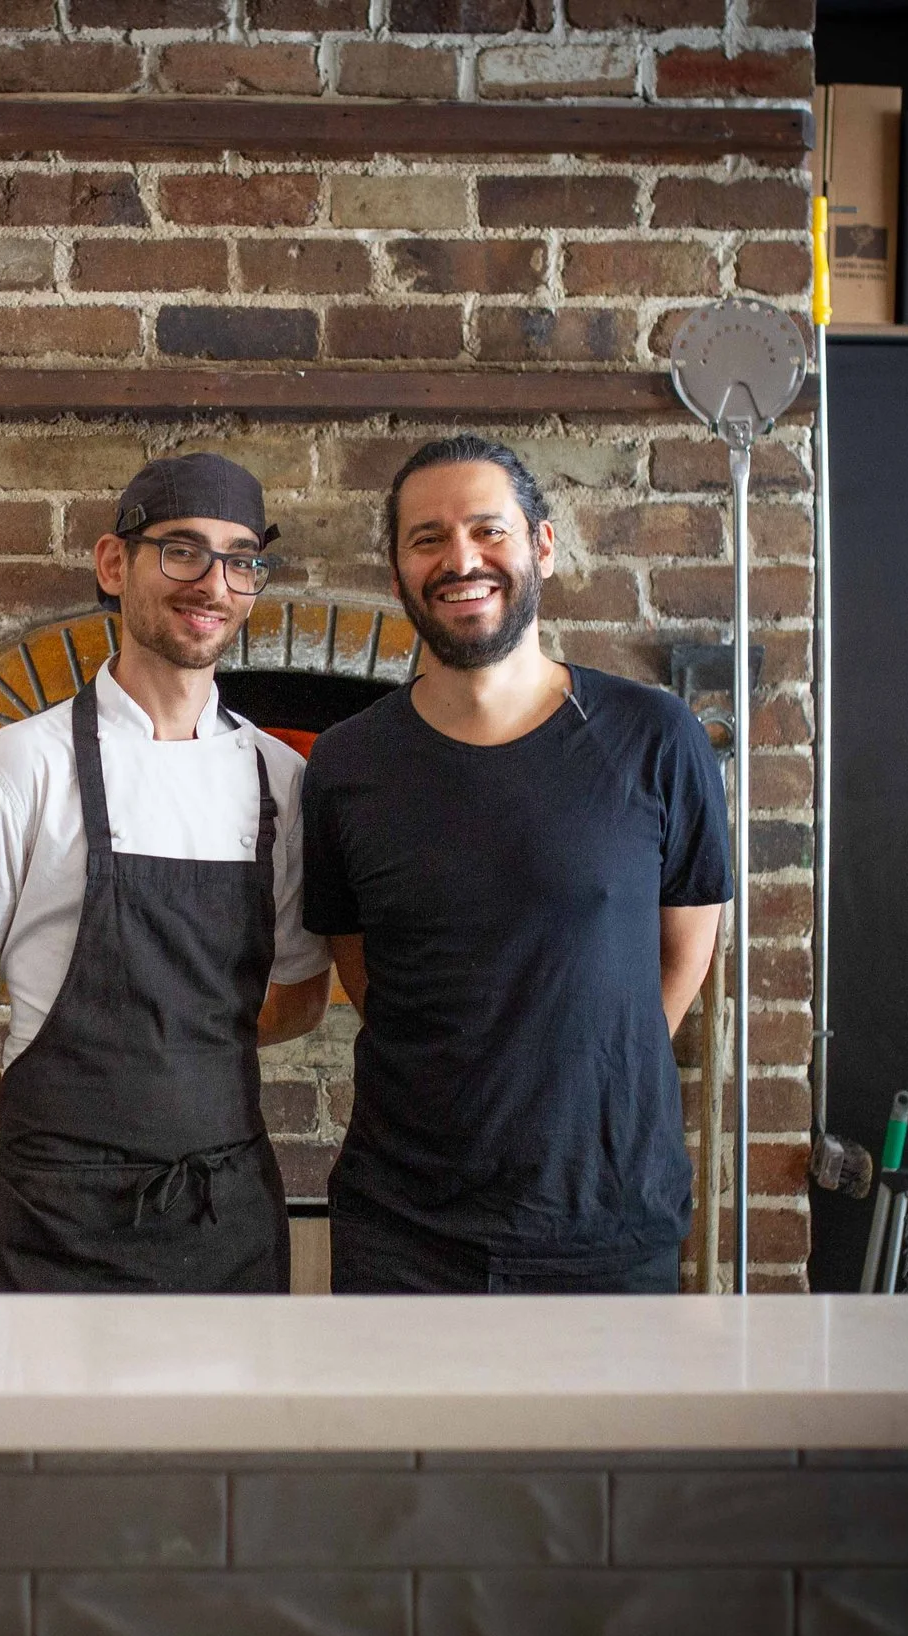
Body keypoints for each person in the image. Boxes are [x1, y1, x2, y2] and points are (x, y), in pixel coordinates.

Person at [0, 453, 335, 1292]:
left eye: (240, 559)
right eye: (181, 549)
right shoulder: (18, 767)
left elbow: (299, 999)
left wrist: (177, 1063)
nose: (212, 581)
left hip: (226, 1221)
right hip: (51, 1232)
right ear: (112, 562)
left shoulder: (283, 781)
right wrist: (27, 1156)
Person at [302, 435, 731, 1294]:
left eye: (487, 530)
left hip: (606, 1222)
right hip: (404, 1232)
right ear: (397, 574)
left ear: (540, 545)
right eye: (427, 539)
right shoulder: (347, 764)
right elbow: (364, 968)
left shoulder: (655, 736)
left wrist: (593, 1067)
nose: (460, 558)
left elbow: (684, 954)